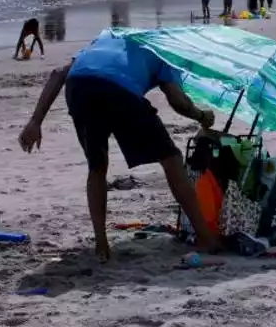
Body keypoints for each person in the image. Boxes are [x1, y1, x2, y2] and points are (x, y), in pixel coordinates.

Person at [16, 33, 220, 263]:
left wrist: (35, 121)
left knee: (97, 166)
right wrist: (202, 116)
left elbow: (58, 74)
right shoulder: (162, 53)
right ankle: (206, 238)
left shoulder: (106, 38)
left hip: (79, 85)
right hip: (119, 90)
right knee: (171, 158)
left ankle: (101, 245)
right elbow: (178, 101)